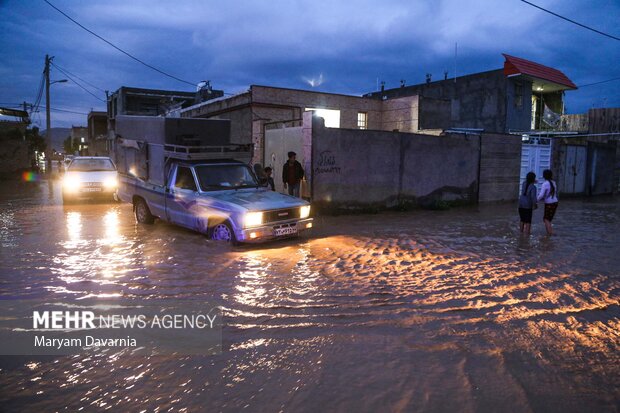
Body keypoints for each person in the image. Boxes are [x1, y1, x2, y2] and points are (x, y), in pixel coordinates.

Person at [537, 169, 559, 235]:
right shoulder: (554, 182)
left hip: (549, 203)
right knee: (548, 219)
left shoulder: (545, 184)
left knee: (546, 219)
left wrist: (535, 200)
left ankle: (550, 234)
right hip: (555, 202)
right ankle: (549, 234)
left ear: (544, 176)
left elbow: (541, 195)